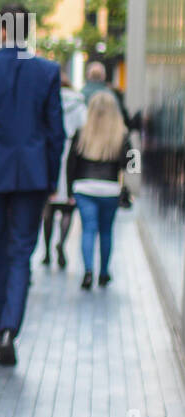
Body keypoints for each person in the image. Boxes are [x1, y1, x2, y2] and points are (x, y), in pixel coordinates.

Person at [0, 5, 64, 367]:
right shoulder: (47, 71)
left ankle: (0, 326)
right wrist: (50, 178)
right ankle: (9, 328)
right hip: (31, 176)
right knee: (20, 253)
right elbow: (56, 133)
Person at [67, 90, 132, 290]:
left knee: (88, 229)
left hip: (84, 187)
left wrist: (70, 190)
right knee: (106, 231)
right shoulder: (121, 134)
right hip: (110, 189)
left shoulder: (82, 132)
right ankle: (104, 273)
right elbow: (130, 164)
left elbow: (71, 163)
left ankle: (87, 271)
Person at [41, 70, 87, 268]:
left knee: (48, 207)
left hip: (49, 152)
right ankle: (61, 244)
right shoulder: (78, 104)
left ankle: (47, 251)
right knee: (68, 206)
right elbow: (84, 128)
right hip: (71, 155)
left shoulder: (47, 101)